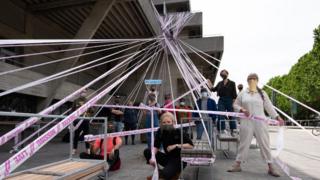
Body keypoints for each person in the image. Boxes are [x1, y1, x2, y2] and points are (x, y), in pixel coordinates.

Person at [227, 73, 285, 177]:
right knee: (243, 143)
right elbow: (235, 104)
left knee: (264, 143)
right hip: (246, 121)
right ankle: (237, 164)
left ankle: (271, 167)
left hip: (260, 122)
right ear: (247, 81)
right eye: (250, 79)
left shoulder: (262, 93)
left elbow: (269, 107)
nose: (252, 81)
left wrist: (277, 117)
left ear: (257, 80)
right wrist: (242, 109)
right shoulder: (243, 93)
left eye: (254, 79)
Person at [144, 112, 194, 180]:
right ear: (161, 123)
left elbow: (191, 145)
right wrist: (152, 157)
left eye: (168, 122)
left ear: (173, 122)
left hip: (179, 160)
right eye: (164, 122)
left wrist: (176, 145)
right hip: (167, 158)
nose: (166, 124)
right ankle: (158, 171)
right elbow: (156, 146)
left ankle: (169, 173)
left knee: (166, 174)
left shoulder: (178, 131)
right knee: (147, 151)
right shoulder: (160, 131)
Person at [208, 69, 237, 135]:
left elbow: (234, 94)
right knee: (221, 114)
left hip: (229, 100)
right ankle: (222, 129)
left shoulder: (232, 83)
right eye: (221, 73)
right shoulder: (219, 83)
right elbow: (213, 89)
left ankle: (233, 130)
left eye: (224, 73)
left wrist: (233, 103)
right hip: (221, 100)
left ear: (227, 74)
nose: (223, 74)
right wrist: (209, 83)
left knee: (231, 115)